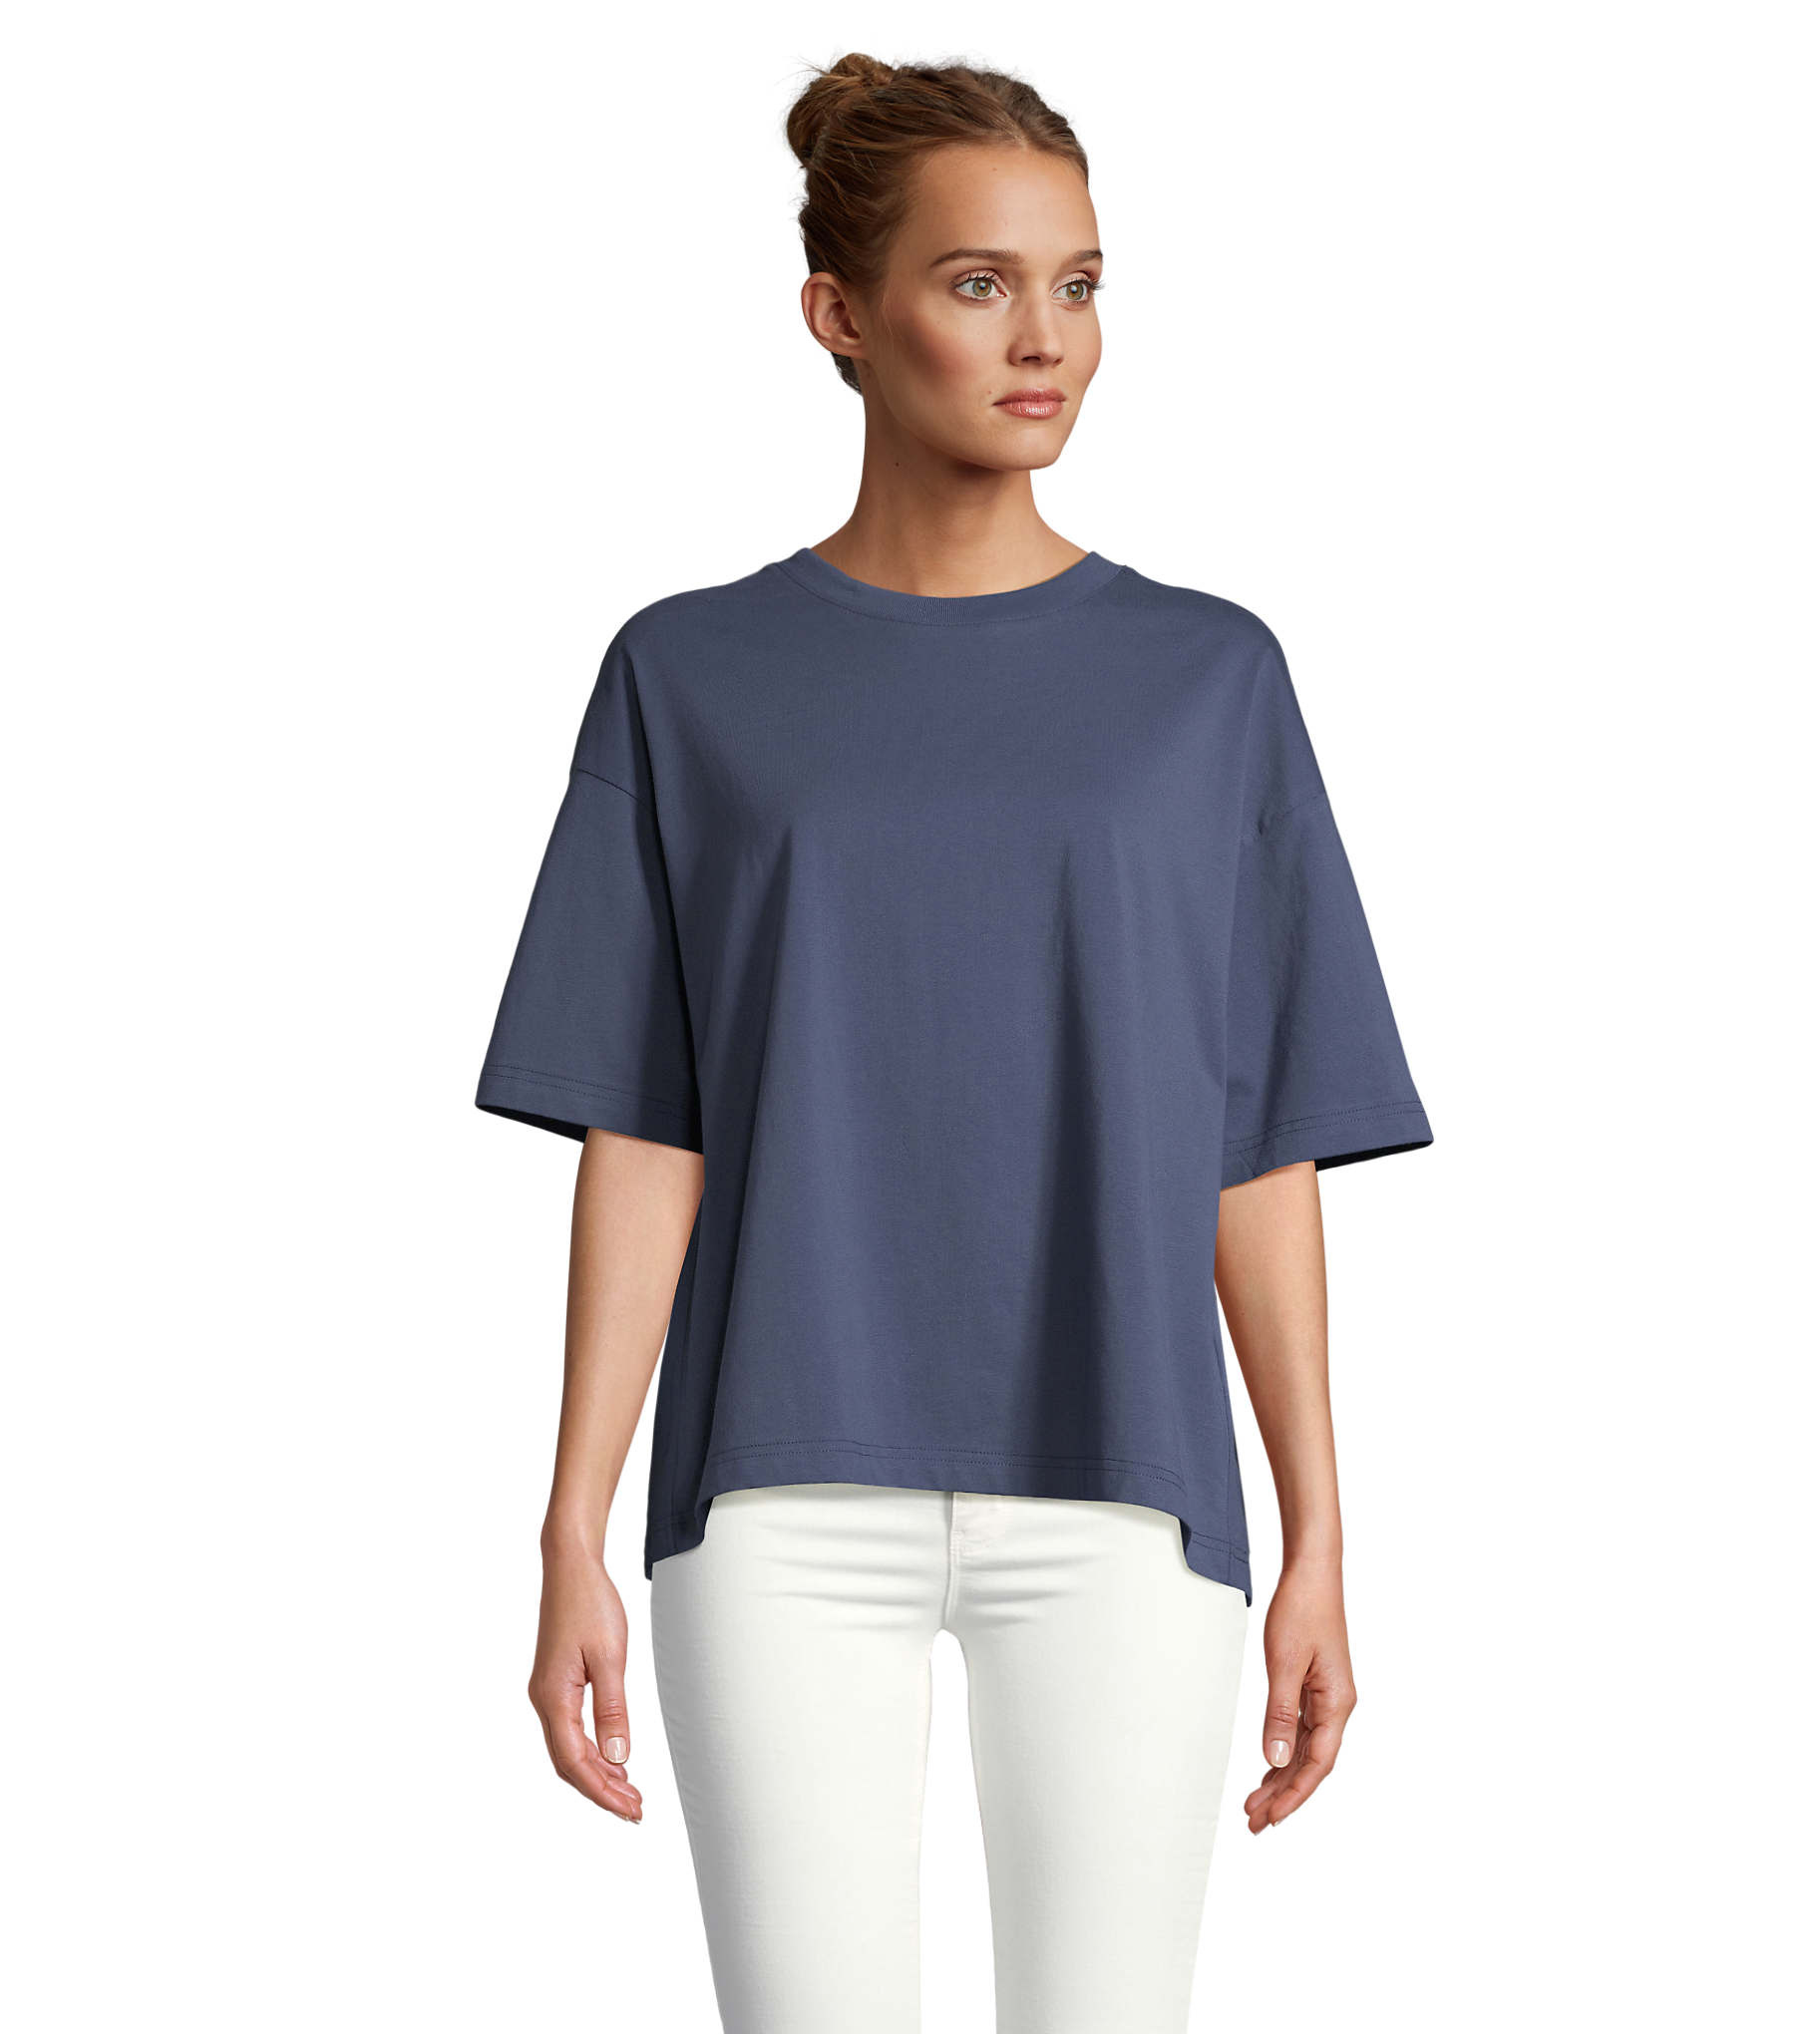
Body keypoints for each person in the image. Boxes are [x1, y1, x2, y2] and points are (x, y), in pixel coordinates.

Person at [473, 50, 1434, 2034]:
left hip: (1127, 1480)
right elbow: (645, 1128)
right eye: (978, 283)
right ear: (838, 312)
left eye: (1078, 284)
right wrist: (569, 1524)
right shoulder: (686, 674)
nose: (1044, 338)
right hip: (773, 1491)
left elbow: (1255, 1136)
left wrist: (1319, 1531)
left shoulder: (1209, 682)